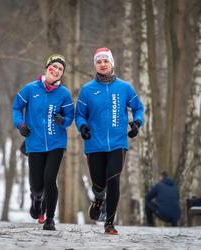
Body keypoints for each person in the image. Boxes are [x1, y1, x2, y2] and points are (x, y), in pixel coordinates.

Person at [75, 47, 144, 235]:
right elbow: (79, 115)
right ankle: (98, 198)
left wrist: (136, 123)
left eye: (106, 61)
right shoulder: (87, 90)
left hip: (118, 143)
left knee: (113, 180)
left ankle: (110, 223)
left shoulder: (124, 88)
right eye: (99, 61)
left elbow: (139, 108)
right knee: (99, 183)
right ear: (95, 65)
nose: (102, 64)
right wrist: (82, 127)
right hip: (94, 143)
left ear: (112, 63)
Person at [12, 54, 74, 230]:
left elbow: (70, 116)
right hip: (35, 143)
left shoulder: (64, 93)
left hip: (56, 143)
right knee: (37, 185)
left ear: (62, 74)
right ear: (46, 68)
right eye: (53, 67)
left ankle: (50, 219)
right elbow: (17, 108)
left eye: (60, 69)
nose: (56, 70)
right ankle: (37, 198)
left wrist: (63, 120)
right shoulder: (30, 89)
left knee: (50, 179)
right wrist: (20, 124)